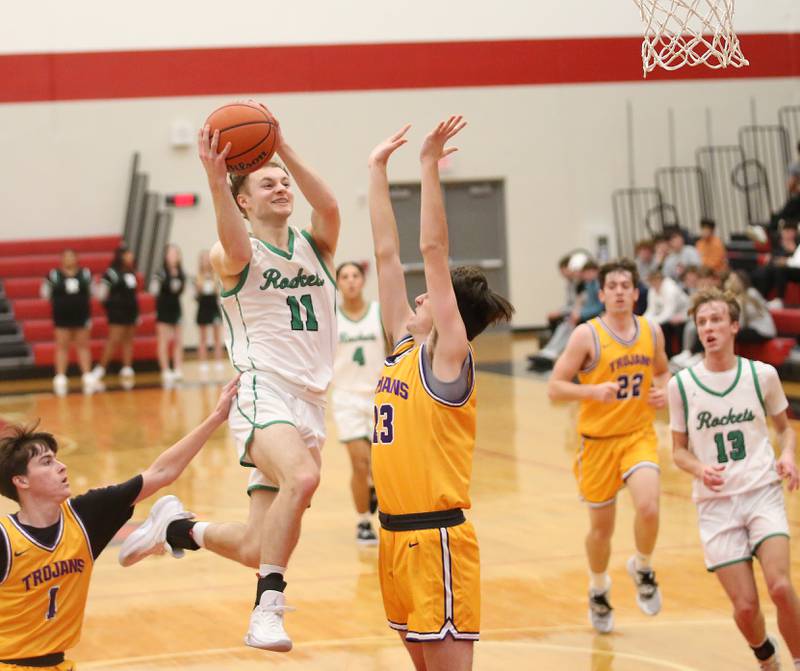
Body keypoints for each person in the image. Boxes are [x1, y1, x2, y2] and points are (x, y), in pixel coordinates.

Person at [118, 104, 340, 653]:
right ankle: (269, 607)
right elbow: (235, 244)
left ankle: (176, 528)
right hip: (263, 391)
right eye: (268, 183)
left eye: (285, 182)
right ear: (244, 201)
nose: (283, 187)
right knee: (304, 479)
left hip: (310, 402)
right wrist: (215, 181)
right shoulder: (232, 252)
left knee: (252, 544)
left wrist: (281, 146)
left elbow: (331, 206)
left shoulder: (316, 246)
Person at [367, 118, 513, 671]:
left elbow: (431, 246)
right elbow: (386, 254)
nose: (421, 292)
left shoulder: (448, 356)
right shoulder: (404, 347)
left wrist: (428, 165)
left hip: (437, 540)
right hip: (394, 538)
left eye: (434, 292)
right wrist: (377, 171)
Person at [0, 378, 239, 670]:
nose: (61, 467)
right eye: (47, 462)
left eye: (57, 459)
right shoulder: (5, 539)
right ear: (21, 481)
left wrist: (217, 418)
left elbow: (162, 472)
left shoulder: (85, 517)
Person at [668, 288, 800, 671]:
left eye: (716, 320)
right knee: (745, 607)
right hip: (716, 503)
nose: (708, 328)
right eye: (702, 322)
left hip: (761, 492)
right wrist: (699, 469)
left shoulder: (762, 375)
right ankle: (765, 654)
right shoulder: (683, 386)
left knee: (779, 585)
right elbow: (678, 450)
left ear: (734, 326)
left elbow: (785, 430)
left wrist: (788, 455)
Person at [548, 258, 669, 634]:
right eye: (611, 286)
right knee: (602, 531)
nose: (619, 291)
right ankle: (598, 587)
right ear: (601, 294)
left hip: (638, 435)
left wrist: (663, 388)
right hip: (597, 444)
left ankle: (643, 566)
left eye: (625, 286)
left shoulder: (652, 330)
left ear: (636, 293)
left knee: (648, 506)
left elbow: (663, 369)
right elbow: (555, 388)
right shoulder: (587, 335)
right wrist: (592, 392)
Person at [331, 261, 384, 544]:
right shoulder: (332, 318)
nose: (350, 281)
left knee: (381, 465)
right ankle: (363, 521)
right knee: (359, 463)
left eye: (355, 276)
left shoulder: (378, 313)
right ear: (338, 283)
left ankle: (375, 488)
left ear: (363, 281)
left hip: (379, 396)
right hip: (346, 397)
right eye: (344, 277)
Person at [40, 250, 95, 397]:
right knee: (62, 345)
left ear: (77, 258)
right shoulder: (53, 275)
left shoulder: (85, 274)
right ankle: (60, 375)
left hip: (81, 315)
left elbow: (92, 292)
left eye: (72, 256)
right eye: (66, 257)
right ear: (61, 259)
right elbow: (45, 294)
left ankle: (87, 374)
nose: (69, 259)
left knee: (83, 345)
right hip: (61, 316)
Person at [92, 244, 139, 390]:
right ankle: (101, 368)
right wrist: (111, 306)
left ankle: (127, 367)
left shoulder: (131, 272)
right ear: (121, 256)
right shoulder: (111, 274)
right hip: (117, 312)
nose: (131, 257)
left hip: (131, 312)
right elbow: (102, 295)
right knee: (113, 340)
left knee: (128, 340)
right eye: (128, 254)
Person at [150, 244, 186, 387]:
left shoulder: (181, 273)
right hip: (163, 309)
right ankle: (165, 369)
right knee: (164, 340)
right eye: (171, 254)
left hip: (176, 308)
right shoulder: (160, 273)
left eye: (176, 254)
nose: (173, 257)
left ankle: (178, 368)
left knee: (178, 340)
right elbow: (154, 291)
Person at [644, 268, 690, 358]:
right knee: (653, 326)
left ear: (660, 279)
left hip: (684, 314)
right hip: (670, 315)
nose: (653, 283)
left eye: (655, 280)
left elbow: (668, 313)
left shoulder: (670, 289)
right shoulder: (652, 289)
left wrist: (652, 322)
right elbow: (651, 310)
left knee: (663, 327)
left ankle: (671, 355)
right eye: (651, 281)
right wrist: (642, 321)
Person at [194, 250, 225, 381]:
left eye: (208, 258)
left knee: (217, 336)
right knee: (203, 337)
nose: (206, 261)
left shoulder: (216, 275)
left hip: (214, 307)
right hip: (203, 307)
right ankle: (203, 362)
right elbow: (196, 294)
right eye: (204, 259)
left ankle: (218, 360)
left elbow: (219, 291)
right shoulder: (198, 276)